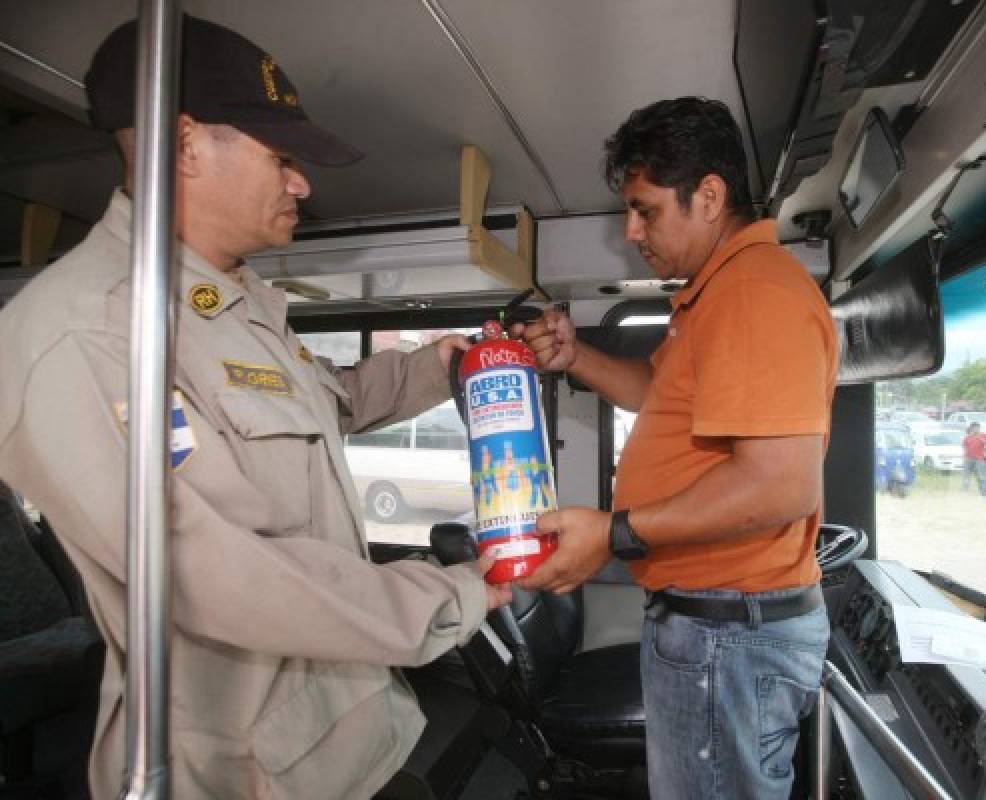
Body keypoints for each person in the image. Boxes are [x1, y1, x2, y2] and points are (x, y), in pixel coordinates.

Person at [0, 16, 510, 799]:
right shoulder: (85, 331)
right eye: (283, 158)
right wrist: (463, 591)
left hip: (351, 740)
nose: (302, 183)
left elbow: (322, 407)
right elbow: (215, 573)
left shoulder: (231, 307)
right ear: (187, 143)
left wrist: (444, 367)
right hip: (238, 775)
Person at [513, 97, 837, 800]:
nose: (632, 232)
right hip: (714, 628)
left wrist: (615, 533)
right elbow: (651, 392)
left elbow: (782, 486)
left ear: (710, 196)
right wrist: (575, 357)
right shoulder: (712, 295)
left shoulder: (756, 292)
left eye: (646, 210)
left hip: (728, 637)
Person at [961, 422, 986, 493]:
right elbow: (964, 446)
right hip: (968, 459)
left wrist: (979, 437)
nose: (976, 429)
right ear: (971, 429)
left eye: (977, 428)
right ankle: (966, 490)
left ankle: (983, 491)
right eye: (974, 428)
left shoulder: (984, 435)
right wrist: (965, 457)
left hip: (980, 459)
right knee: (966, 475)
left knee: (980, 476)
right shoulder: (967, 437)